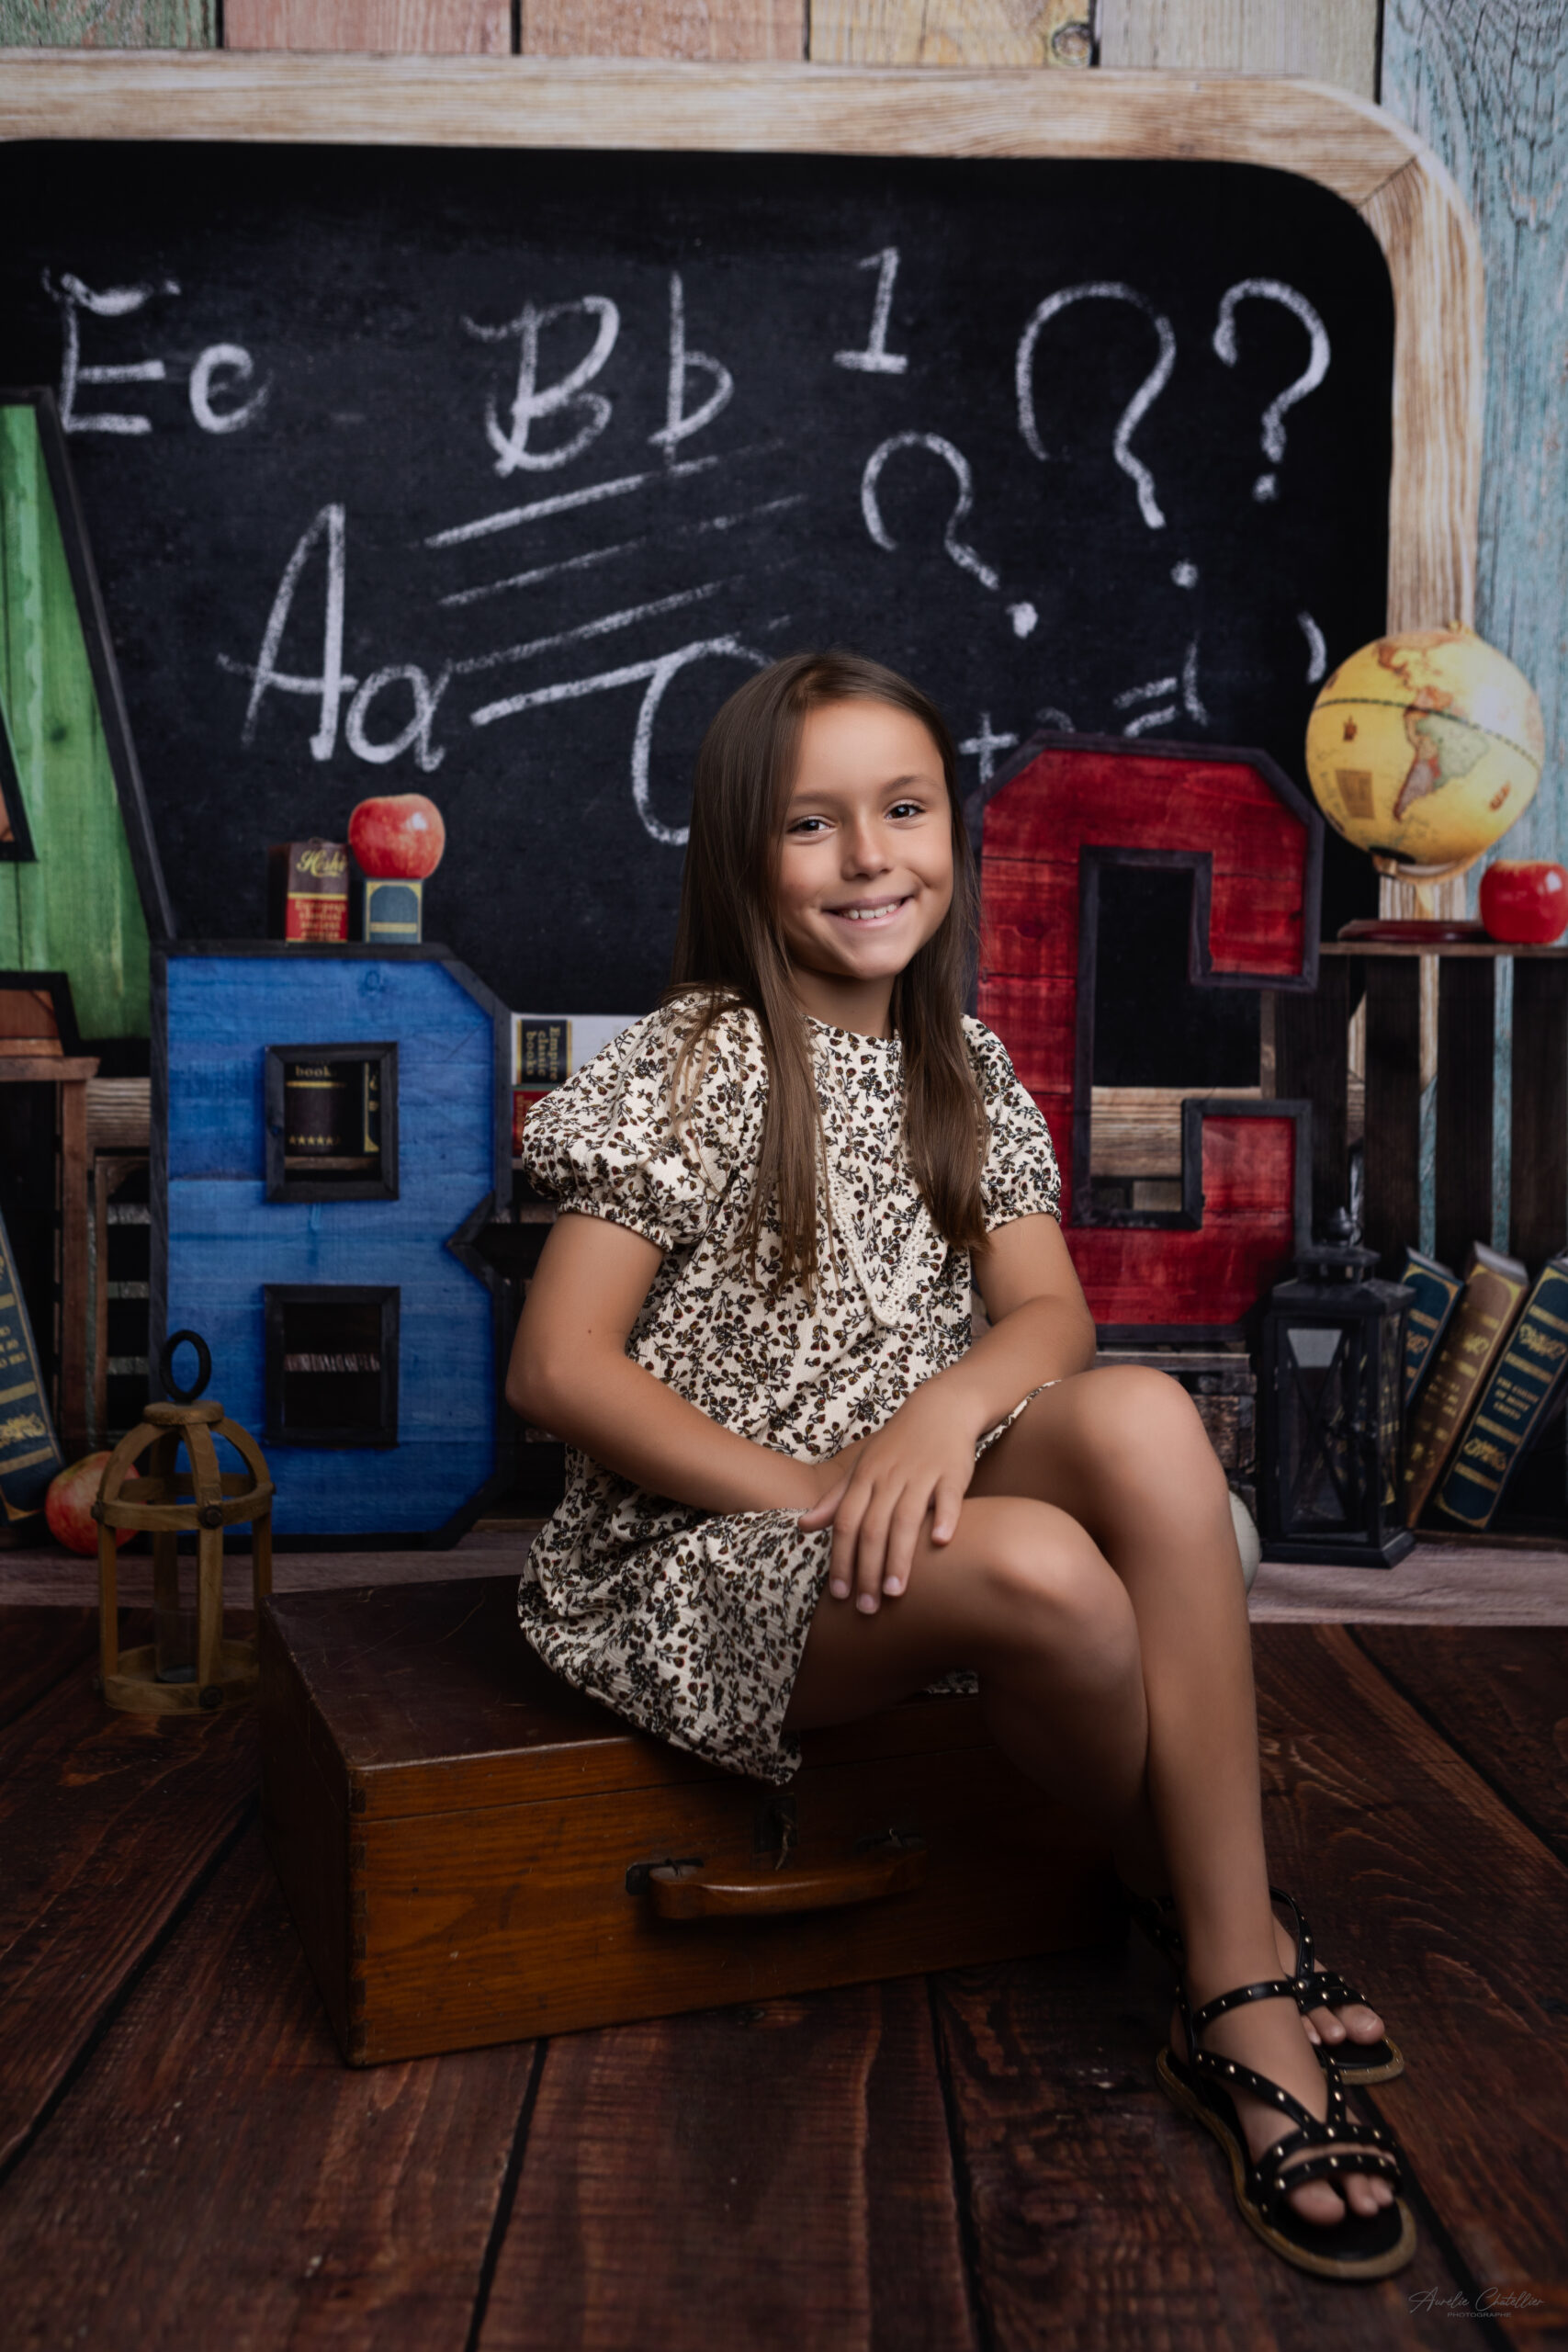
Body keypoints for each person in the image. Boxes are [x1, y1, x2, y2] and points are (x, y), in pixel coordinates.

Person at [507, 650, 1416, 2281]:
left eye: (906, 809)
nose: (872, 859)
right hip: (722, 1547)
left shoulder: (967, 1069)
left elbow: (1049, 1313)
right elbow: (558, 1367)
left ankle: (1226, 1968)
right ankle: (1219, 1928)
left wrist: (932, 1423)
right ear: (740, 856)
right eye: (813, 824)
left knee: (1146, 1421)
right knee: (1063, 1575)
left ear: (951, 830)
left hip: (917, 1499)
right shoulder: (693, 1061)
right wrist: (815, 1492)